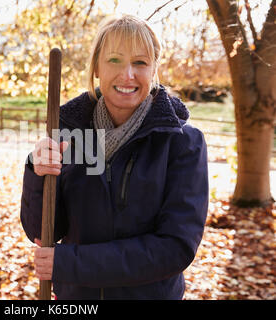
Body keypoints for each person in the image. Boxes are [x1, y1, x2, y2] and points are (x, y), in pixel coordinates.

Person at [20, 14, 208, 299]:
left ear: (154, 68)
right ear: (96, 67)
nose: (127, 74)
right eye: (115, 60)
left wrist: (72, 263)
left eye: (140, 63)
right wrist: (37, 172)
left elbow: (175, 248)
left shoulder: (182, 143)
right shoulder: (69, 135)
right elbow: (42, 231)